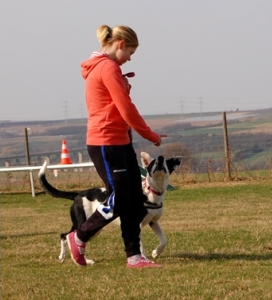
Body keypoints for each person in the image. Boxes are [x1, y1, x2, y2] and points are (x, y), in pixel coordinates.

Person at [66, 24, 166, 268]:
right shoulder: (107, 68)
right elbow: (126, 109)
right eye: (130, 52)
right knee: (120, 199)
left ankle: (134, 256)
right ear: (120, 44)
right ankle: (79, 236)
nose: (130, 58)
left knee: (132, 200)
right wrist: (149, 134)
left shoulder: (107, 68)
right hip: (105, 142)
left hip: (120, 142)